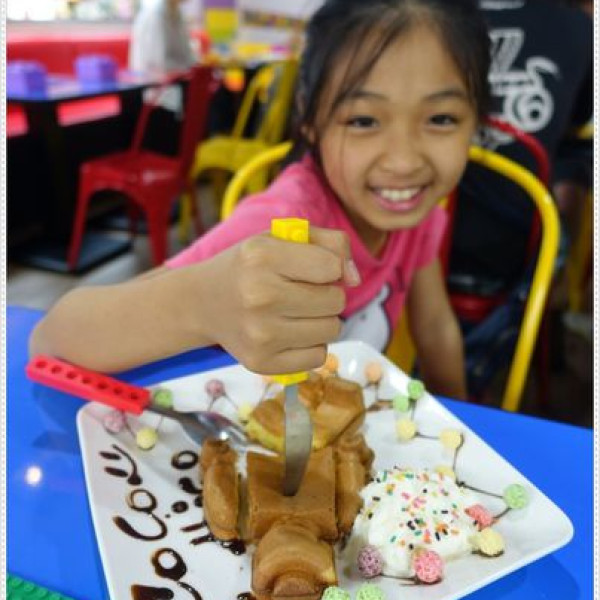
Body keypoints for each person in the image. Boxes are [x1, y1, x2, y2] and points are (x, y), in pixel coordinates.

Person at [30, 0, 493, 400]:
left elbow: (435, 326)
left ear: (477, 120)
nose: (404, 161)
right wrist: (202, 304)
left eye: (441, 118)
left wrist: (464, 430)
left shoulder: (418, 217)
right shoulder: (282, 223)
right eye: (363, 121)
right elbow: (52, 340)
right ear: (310, 120)